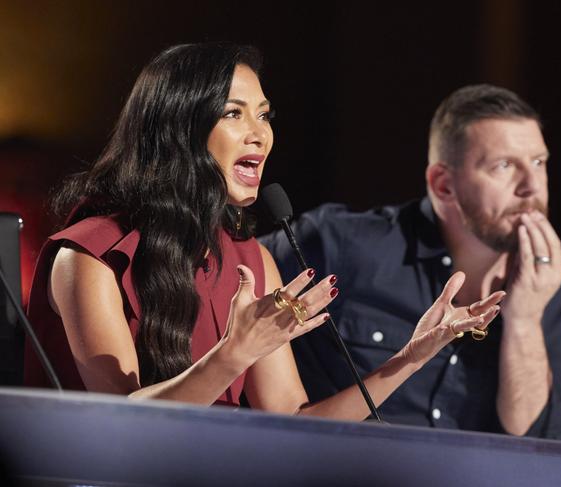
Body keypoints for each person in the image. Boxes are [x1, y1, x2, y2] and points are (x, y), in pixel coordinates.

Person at [24, 44, 503, 421]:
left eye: (264, 114)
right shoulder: (90, 256)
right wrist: (234, 355)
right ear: (178, 129)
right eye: (234, 113)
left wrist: (414, 355)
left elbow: (295, 422)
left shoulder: (250, 260)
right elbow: (120, 424)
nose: (261, 133)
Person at [261, 84, 561, 439]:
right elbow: (230, 271)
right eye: (504, 166)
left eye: (539, 162)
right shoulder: (342, 244)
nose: (531, 186)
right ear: (443, 185)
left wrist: (525, 320)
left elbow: (551, 444)